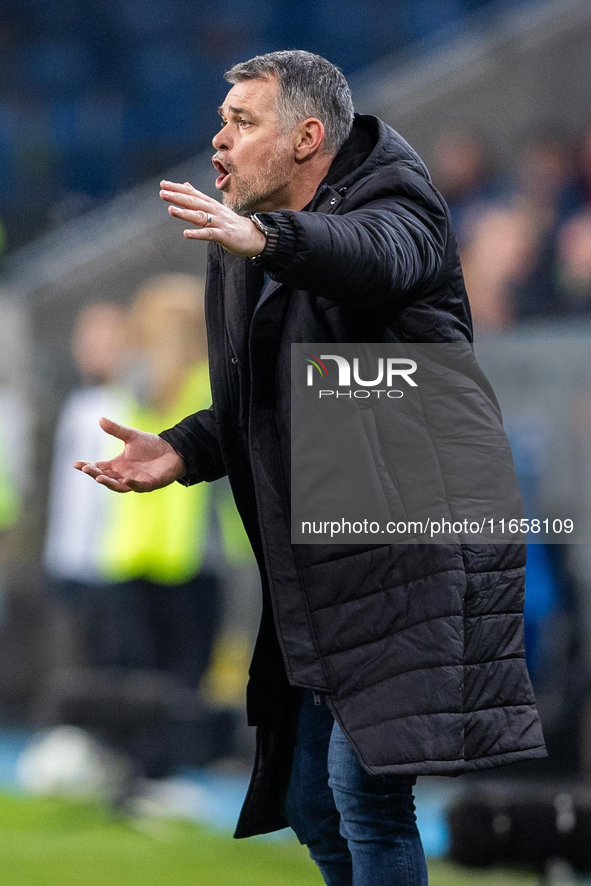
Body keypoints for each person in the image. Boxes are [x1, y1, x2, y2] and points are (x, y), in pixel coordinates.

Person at [75, 50, 546, 886]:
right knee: (312, 803)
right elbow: (269, 401)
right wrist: (183, 447)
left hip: (419, 545)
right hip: (328, 559)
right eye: (222, 121)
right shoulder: (241, 237)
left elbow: (373, 257)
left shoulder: (393, 201)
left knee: (362, 797)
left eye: (242, 122)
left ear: (307, 137)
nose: (218, 141)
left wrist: (267, 239)